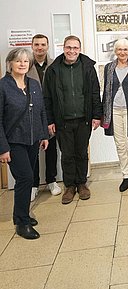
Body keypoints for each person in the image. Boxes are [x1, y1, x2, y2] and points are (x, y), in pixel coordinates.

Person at [44, 35, 102, 205]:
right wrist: (49, 120)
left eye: (75, 48)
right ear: (63, 48)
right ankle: (70, 186)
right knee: (67, 154)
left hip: (84, 119)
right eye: (69, 47)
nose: (72, 51)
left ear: (79, 49)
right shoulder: (53, 69)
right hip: (62, 121)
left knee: (82, 153)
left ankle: (82, 184)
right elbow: (47, 97)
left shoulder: (88, 67)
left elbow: (94, 92)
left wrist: (97, 115)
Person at [0, 48, 49, 239]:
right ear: (10, 63)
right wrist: (3, 148)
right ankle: (21, 222)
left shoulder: (34, 84)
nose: (22, 64)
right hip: (14, 142)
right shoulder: (3, 86)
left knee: (27, 178)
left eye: (26, 61)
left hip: (33, 140)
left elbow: (42, 111)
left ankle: (22, 212)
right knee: (26, 178)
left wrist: (43, 134)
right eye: (18, 61)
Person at [102, 39, 128, 194]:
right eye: (119, 49)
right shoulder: (109, 67)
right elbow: (106, 90)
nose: (122, 52)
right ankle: (126, 176)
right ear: (115, 51)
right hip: (114, 111)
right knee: (120, 144)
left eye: (125, 49)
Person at [27, 34, 61, 201]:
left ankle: (51, 180)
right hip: (30, 113)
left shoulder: (55, 64)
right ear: (32, 46)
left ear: (47, 46)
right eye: (37, 44)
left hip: (50, 111)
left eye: (43, 44)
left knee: (51, 148)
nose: (40, 47)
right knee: (33, 149)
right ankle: (33, 184)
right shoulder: (24, 63)